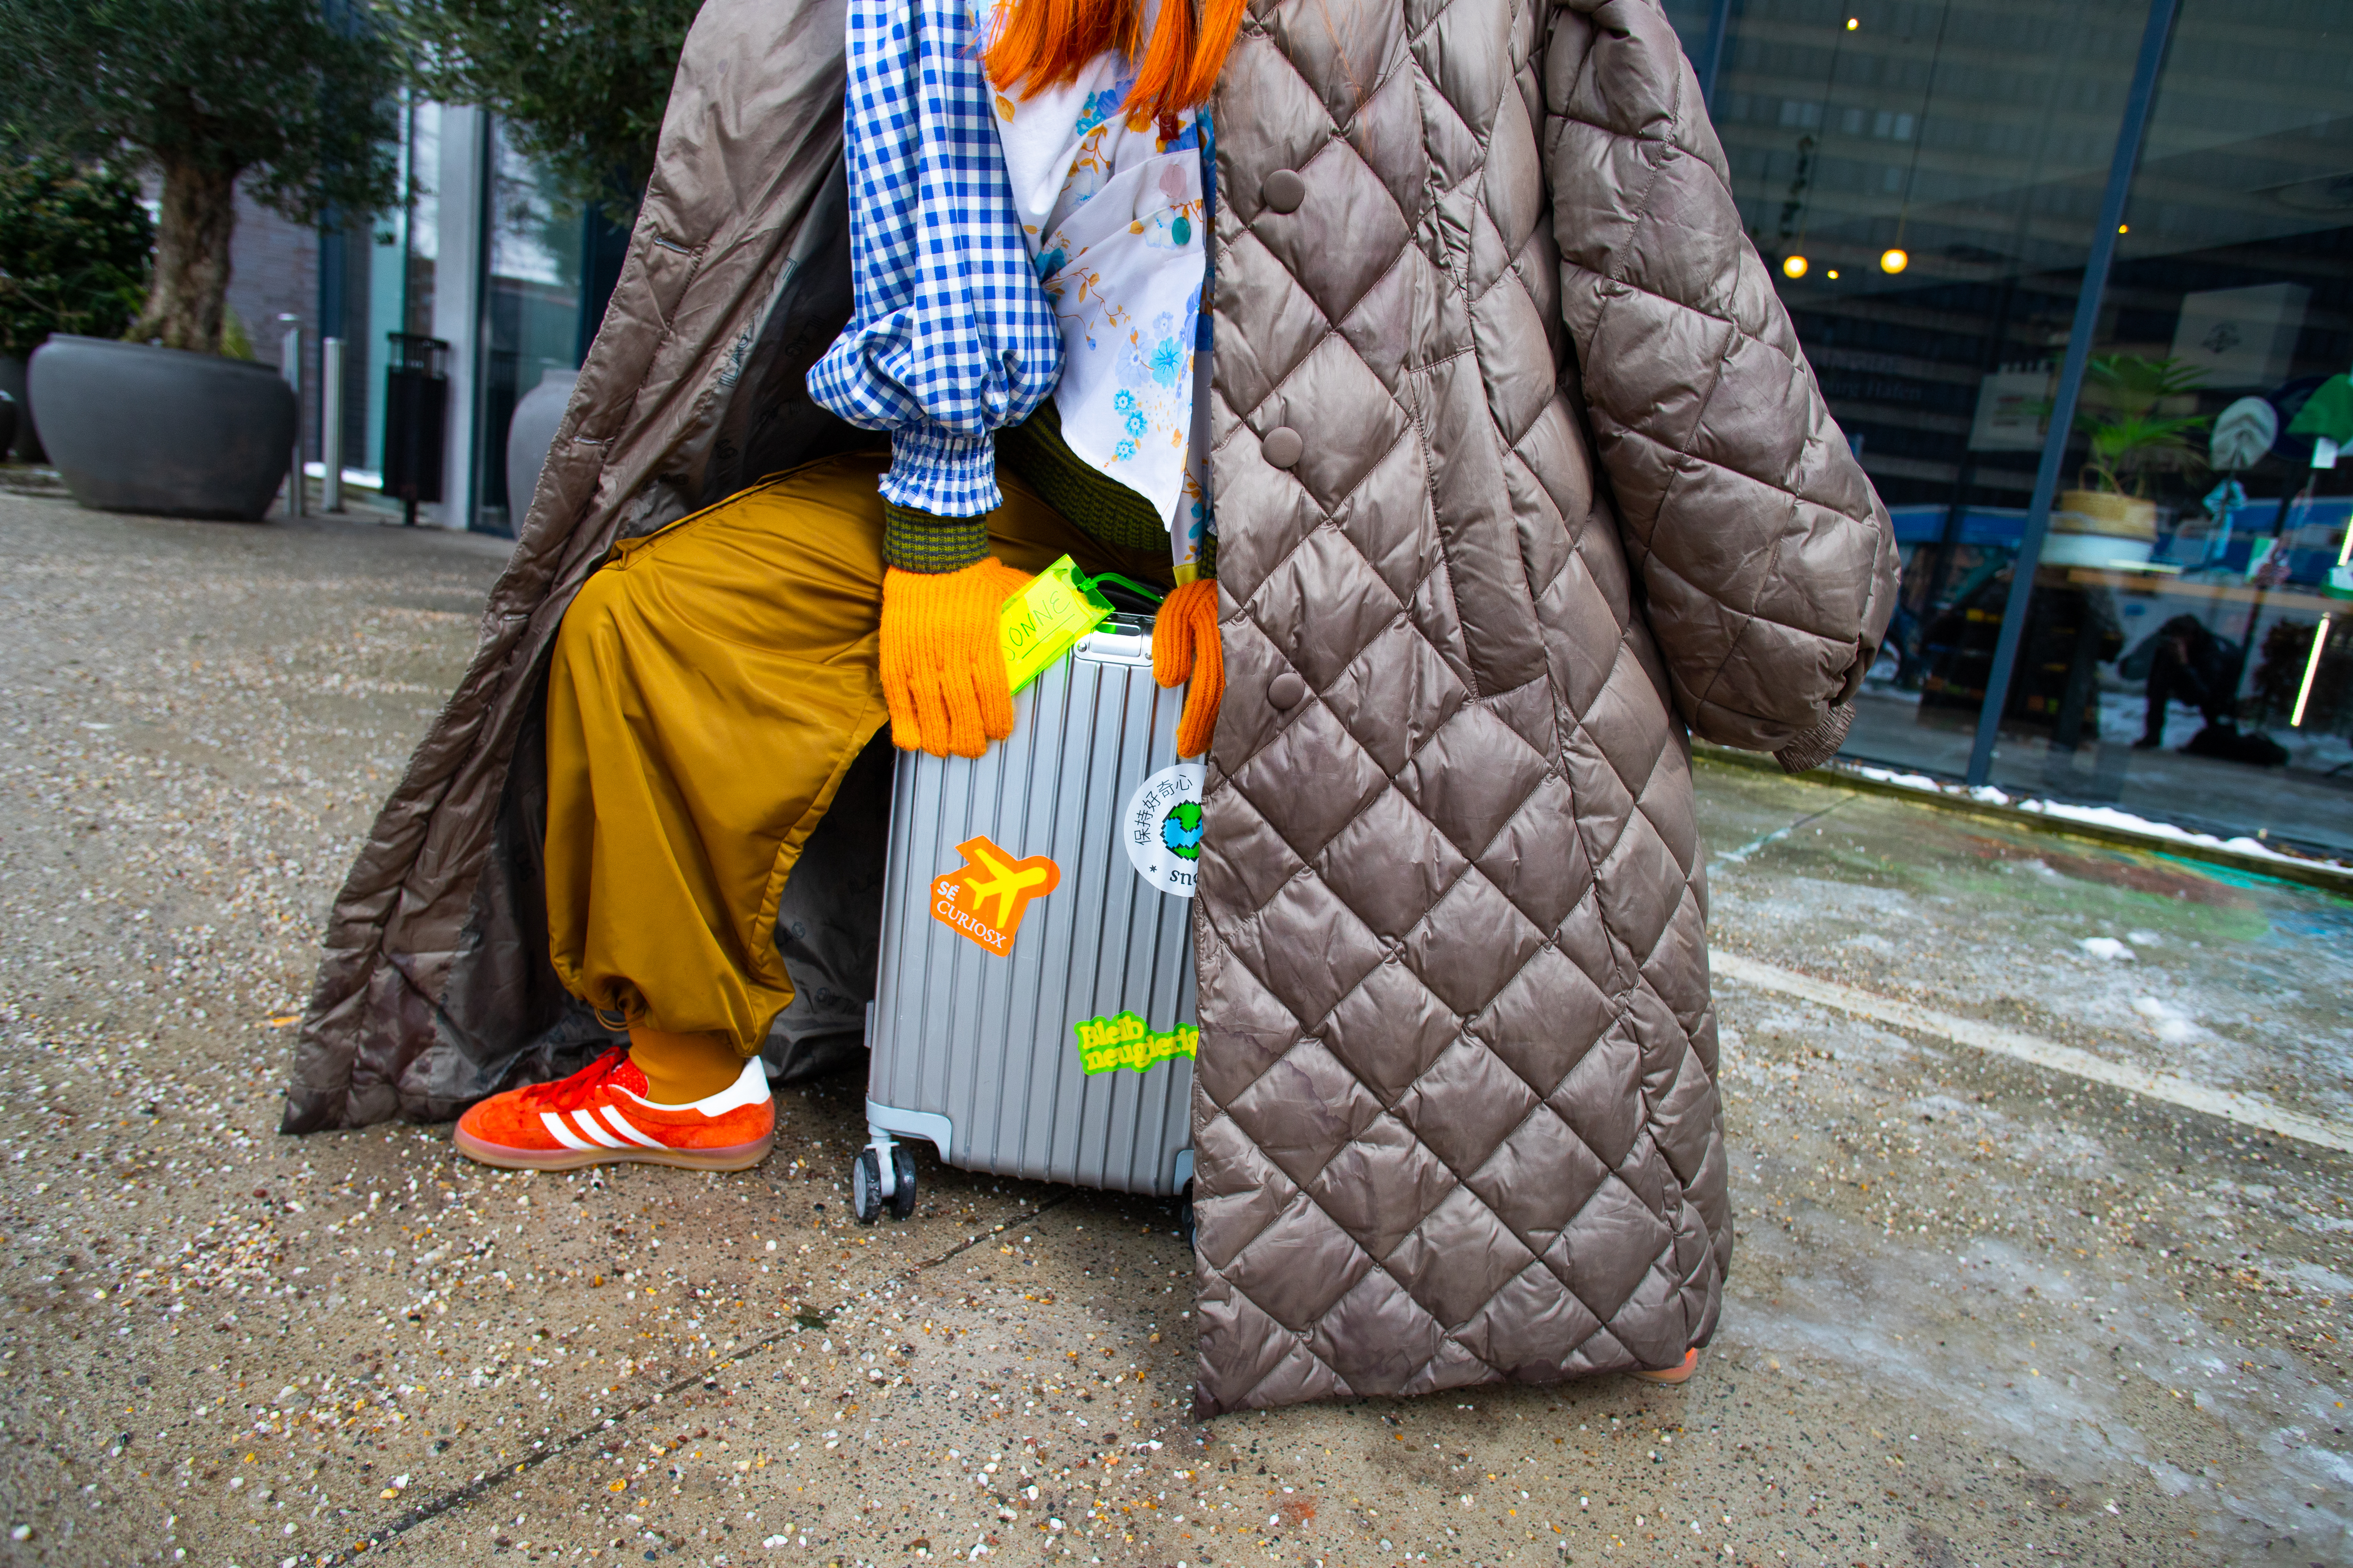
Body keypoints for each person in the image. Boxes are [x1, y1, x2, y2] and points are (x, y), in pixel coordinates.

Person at [447, 0, 1235, 1171]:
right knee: (653, 620)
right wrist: (938, 526)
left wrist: (1262, 551)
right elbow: (950, 228)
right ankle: (684, 1079)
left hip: (1319, 515)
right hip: (1046, 479)